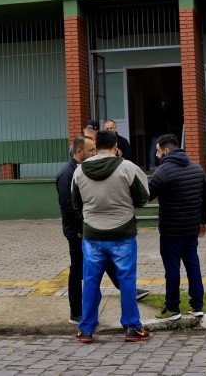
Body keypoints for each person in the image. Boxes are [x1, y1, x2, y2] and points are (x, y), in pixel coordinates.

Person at [56, 136, 150, 325]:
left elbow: (76, 202)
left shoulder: (79, 171)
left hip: (92, 235)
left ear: (97, 148)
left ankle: (86, 327)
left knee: (90, 281)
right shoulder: (127, 167)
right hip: (122, 233)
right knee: (126, 279)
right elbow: (143, 199)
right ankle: (132, 326)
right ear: (116, 147)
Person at [148, 134, 206, 320]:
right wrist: (203, 221)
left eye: (158, 150)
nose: (156, 154)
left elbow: (146, 194)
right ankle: (198, 306)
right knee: (193, 265)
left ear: (166, 150)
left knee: (172, 270)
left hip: (170, 231)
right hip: (192, 229)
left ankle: (173, 308)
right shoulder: (196, 168)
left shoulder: (164, 171)